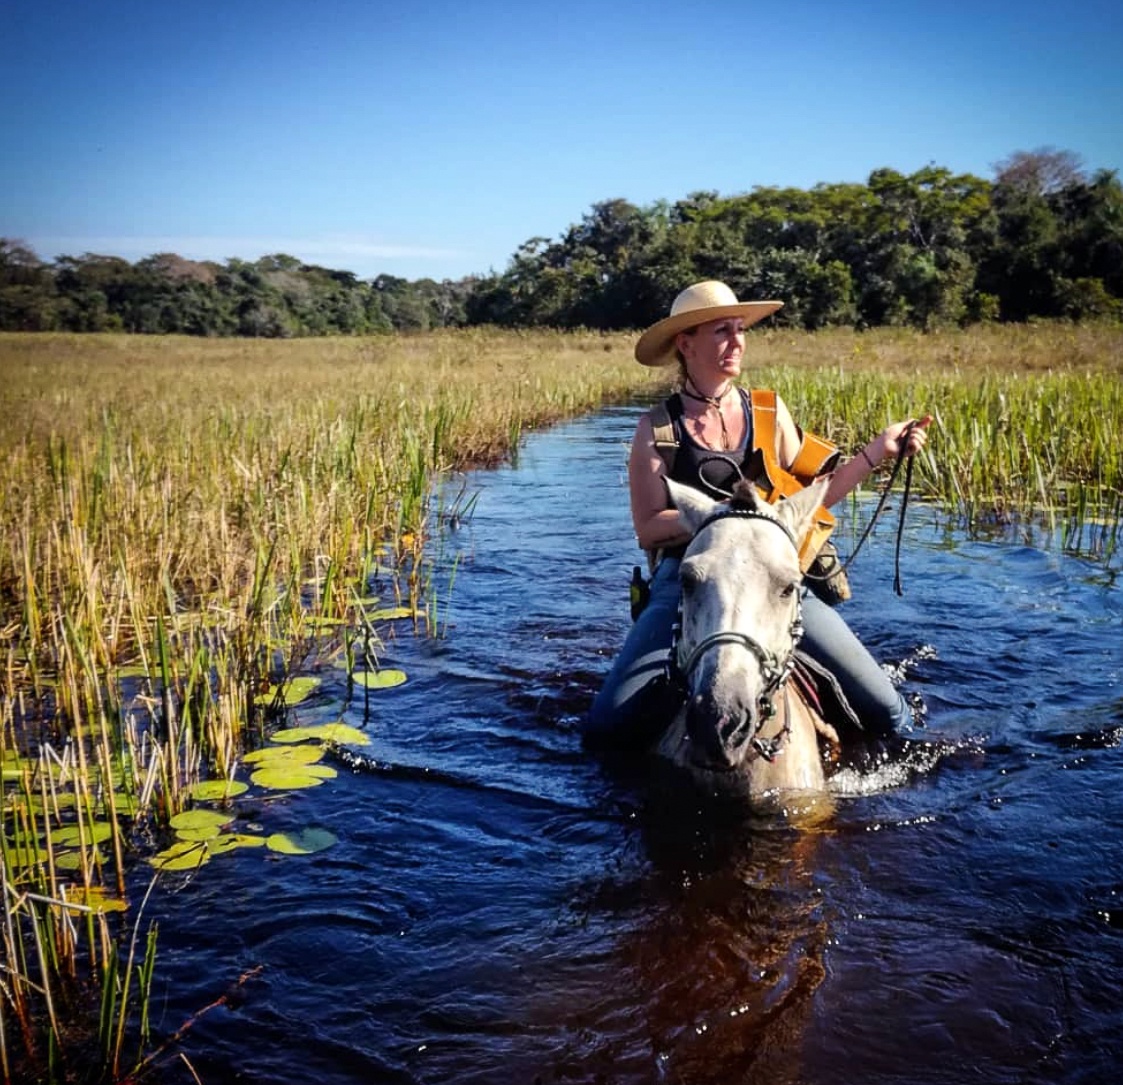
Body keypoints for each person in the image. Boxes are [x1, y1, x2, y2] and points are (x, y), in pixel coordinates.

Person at [586, 280, 930, 748]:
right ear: (686, 344)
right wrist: (724, 517)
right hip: (690, 580)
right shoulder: (656, 428)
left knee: (887, 709)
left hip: (771, 579)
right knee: (605, 727)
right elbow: (648, 528)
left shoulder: (768, 410)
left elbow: (813, 498)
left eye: (740, 329)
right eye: (722, 331)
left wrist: (879, 451)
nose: (737, 342)